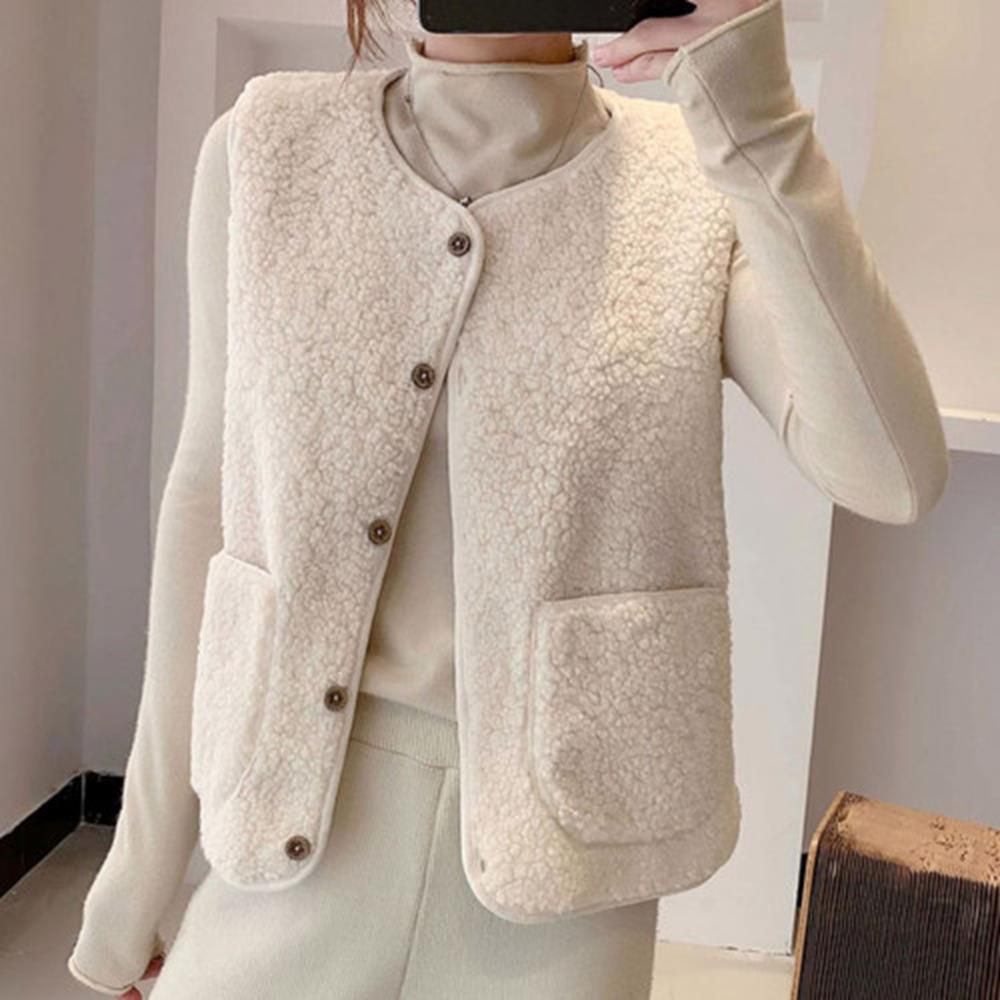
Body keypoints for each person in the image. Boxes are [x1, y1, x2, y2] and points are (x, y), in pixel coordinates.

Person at [66, 0, 950, 996]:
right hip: (285, 825)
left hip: (565, 872)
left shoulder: (695, 184)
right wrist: (140, 866)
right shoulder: (265, 149)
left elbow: (892, 471)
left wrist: (760, 117)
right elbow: (209, 502)